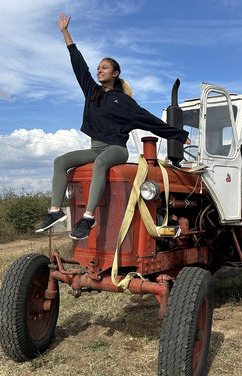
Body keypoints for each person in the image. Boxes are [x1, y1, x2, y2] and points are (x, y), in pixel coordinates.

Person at [36, 13, 190, 240]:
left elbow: (151, 121)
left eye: (104, 68)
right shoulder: (92, 91)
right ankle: (55, 212)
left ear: (115, 73)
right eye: (98, 67)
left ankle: (88, 218)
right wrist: (65, 33)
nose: (99, 70)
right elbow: (79, 65)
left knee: (100, 163)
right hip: (95, 146)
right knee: (61, 162)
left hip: (115, 149)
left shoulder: (125, 102)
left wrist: (179, 134)